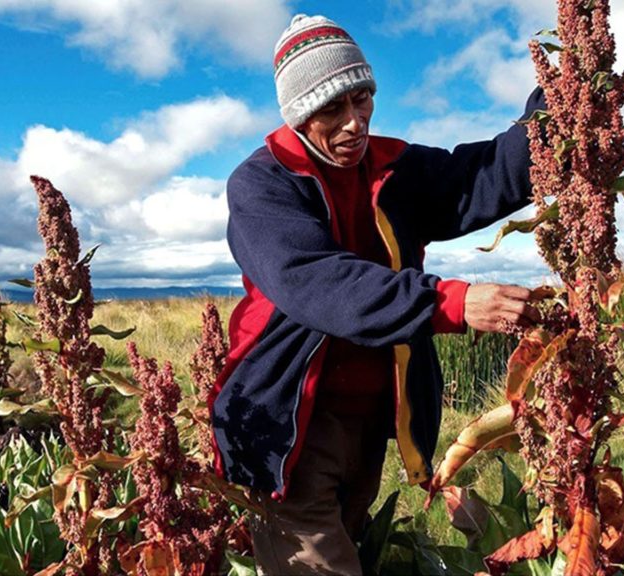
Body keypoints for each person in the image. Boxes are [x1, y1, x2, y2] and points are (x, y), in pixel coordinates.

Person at [208, 14, 545, 575]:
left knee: (354, 550)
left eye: (362, 100)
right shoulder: (260, 185)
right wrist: (452, 303)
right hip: (287, 423)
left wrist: (554, 112)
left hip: (365, 423)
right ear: (296, 115)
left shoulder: (394, 167)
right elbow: (318, 282)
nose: (353, 123)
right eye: (331, 109)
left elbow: (481, 176)